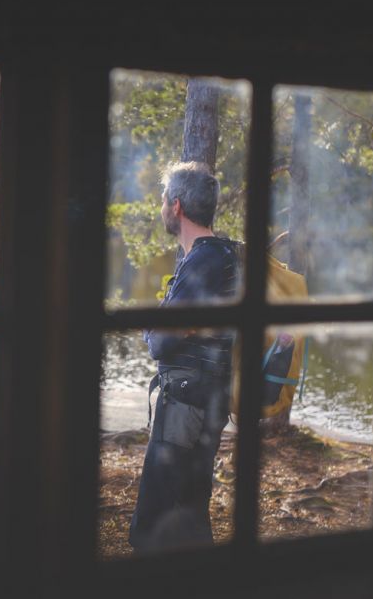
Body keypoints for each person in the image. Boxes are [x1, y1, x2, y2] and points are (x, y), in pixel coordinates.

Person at [128, 161, 240, 553]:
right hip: (205, 404)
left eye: (162, 199)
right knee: (190, 517)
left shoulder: (205, 261)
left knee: (153, 523)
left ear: (175, 207)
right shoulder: (219, 255)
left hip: (186, 410)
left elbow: (161, 342)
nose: (161, 206)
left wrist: (152, 326)